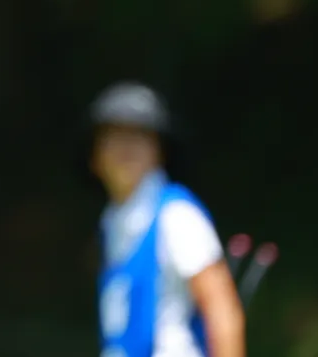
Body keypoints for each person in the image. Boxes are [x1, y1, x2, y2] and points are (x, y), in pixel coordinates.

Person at [88, 82, 245, 357]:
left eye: (138, 135)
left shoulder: (177, 215)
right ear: (95, 157)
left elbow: (222, 311)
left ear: (159, 150)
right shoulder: (112, 222)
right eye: (115, 136)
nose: (126, 148)